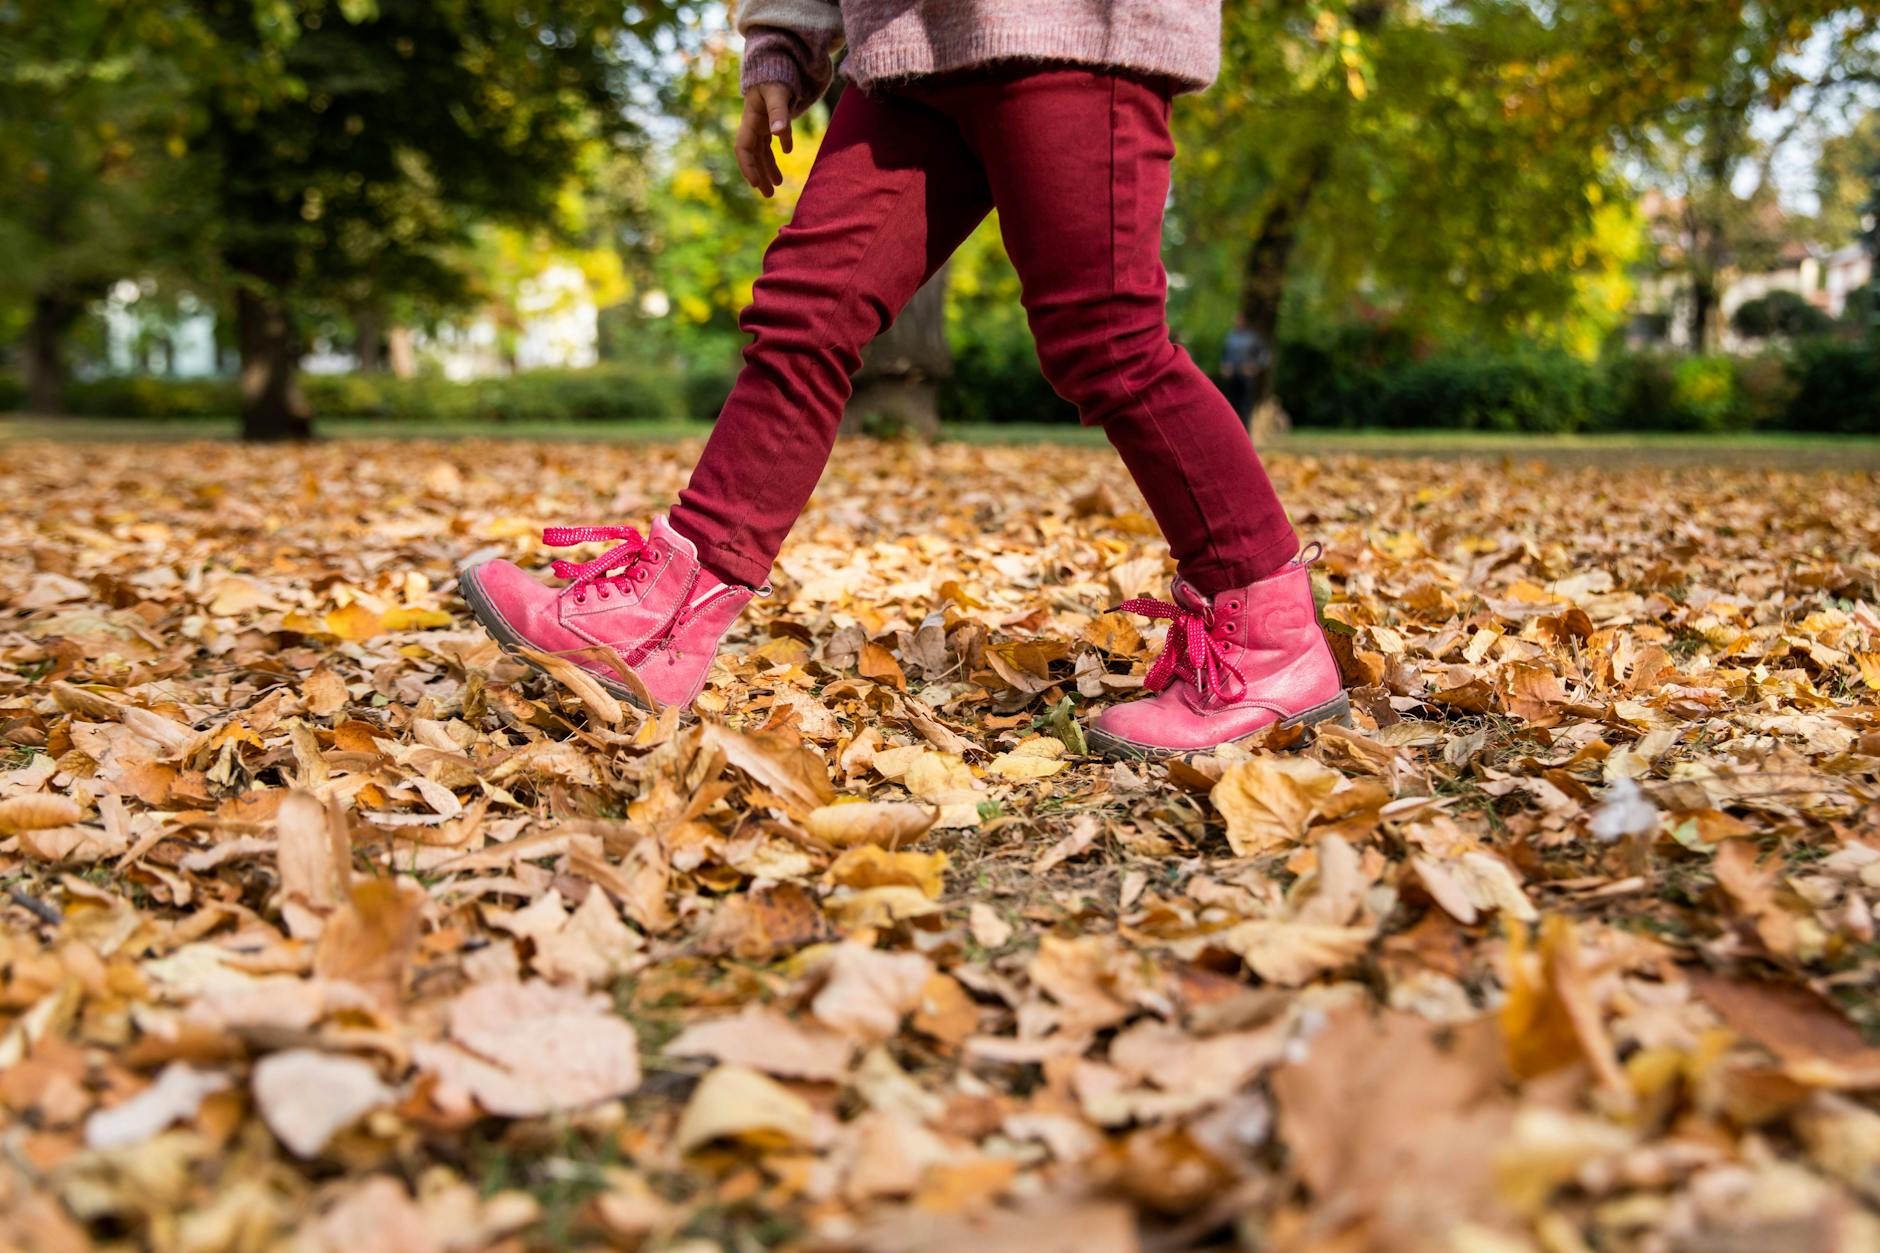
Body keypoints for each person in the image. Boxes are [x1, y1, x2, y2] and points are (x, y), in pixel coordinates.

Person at [459, 0, 1348, 757]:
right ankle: (659, 626)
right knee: (803, 315)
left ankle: (1270, 635)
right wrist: (783, 37)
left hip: (1068, 26)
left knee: (1104, 338)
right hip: (908, 41)